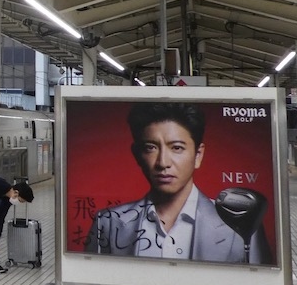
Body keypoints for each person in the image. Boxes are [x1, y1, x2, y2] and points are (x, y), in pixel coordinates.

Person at [84, 102, 271, 263]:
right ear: (137, 155)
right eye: (150, 148)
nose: (163, 162)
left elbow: (259, 283)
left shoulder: (243, 224)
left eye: (177, 148)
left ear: (198, 155)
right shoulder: (108, 222)